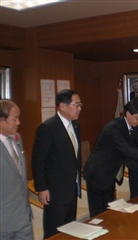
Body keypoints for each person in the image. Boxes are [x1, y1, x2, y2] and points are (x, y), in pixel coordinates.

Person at [83, 99, 138, 217]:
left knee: (108, 209)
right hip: (98, 171)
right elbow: (126, 149)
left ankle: (108, 232)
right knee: (98, 211)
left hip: (110, 173)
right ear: (127, 113)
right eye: (137, 118)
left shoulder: (131, 125)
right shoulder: (114, 127)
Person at [32, 89, 82, 239]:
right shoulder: (48, 128)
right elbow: (38, 160)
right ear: (62, 106)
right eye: (76, 104)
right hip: (54, 191)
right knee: (54, 232)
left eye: (80, 105)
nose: (80, 108)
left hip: (72, 188)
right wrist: (42, 188)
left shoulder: (76, 126)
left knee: (70, 230)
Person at [0, 100, 34, 239]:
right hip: (3, 222)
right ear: (1, 121)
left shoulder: (16, 138)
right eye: (14, 118)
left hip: (23, 215)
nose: (18, 122)